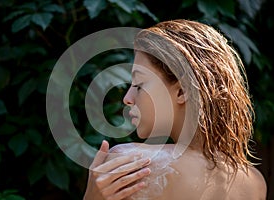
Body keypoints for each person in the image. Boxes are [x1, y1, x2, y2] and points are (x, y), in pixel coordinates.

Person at [83, 19, 267, 200]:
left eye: (139, 84)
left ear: (181, 91)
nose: (127, 99)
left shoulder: (131, 165)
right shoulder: (254, 183)